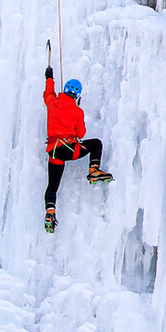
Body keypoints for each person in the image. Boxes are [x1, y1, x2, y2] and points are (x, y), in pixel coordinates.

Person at [44, 54, 113, 232]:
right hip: (70, 149)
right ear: (77, 95)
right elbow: (82, 133)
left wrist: (49, 76)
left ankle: (50, 212)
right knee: (96, 144)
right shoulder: (77, 110)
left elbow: (48, 93)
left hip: (54, 152)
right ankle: (93, 170)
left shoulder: (52, 103)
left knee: (52, 186)